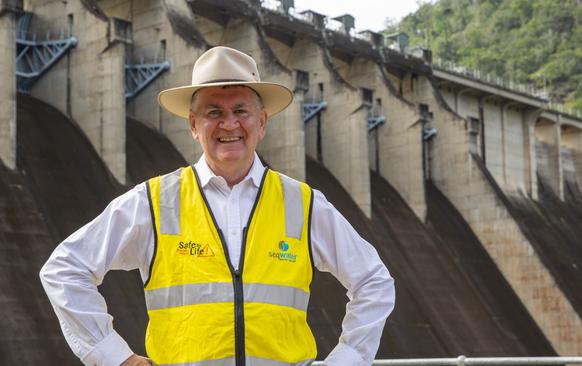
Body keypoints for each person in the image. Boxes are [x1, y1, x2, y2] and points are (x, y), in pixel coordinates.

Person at [40, 46, 395, 366]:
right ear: (194, 125)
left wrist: (346, 359)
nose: (229, 124)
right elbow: (64, 270)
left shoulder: (302, 204)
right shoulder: (154, 201)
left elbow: (374, 282)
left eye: (241, 110)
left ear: (262, 122)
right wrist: (116, 358)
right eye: (214, 112)